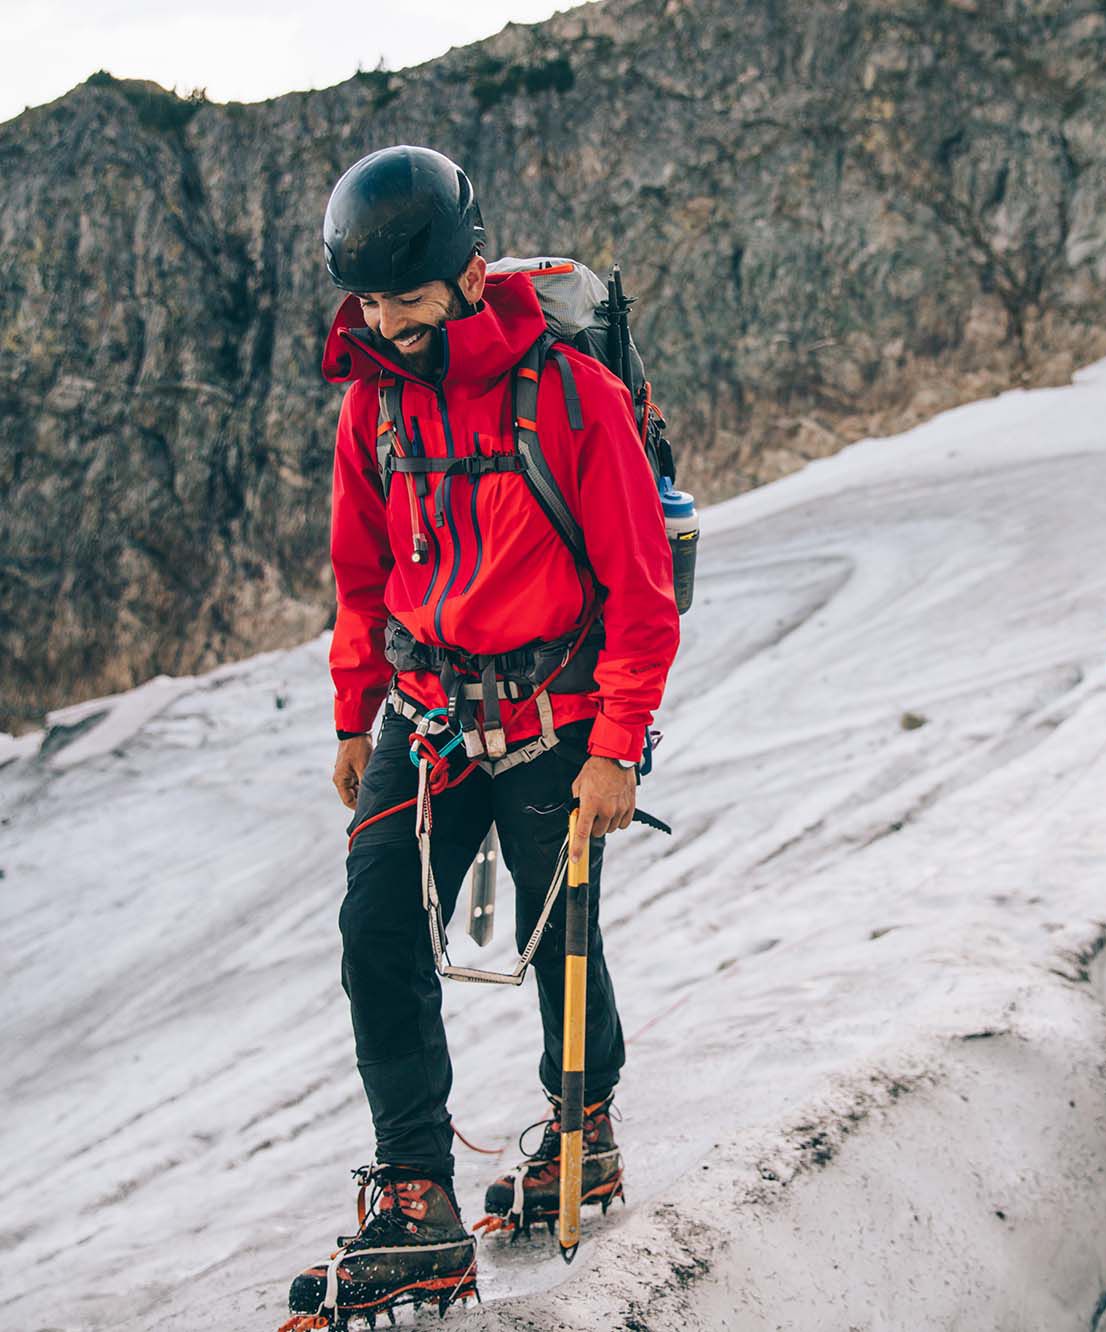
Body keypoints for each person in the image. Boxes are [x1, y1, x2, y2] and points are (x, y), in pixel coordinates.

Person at [284, 145, 680, 1325]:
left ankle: (584, 1129)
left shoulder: (572, 396)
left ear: (464, 276)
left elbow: (639, 587)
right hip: (422, 716)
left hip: (553, 717)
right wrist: (356, 714)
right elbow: (361, 576)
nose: (386, 323)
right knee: (376, 927)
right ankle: (416, 1194)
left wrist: (617, 745)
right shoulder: (374, 402)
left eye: (406, 299)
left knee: (563, 935)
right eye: (369, 302)